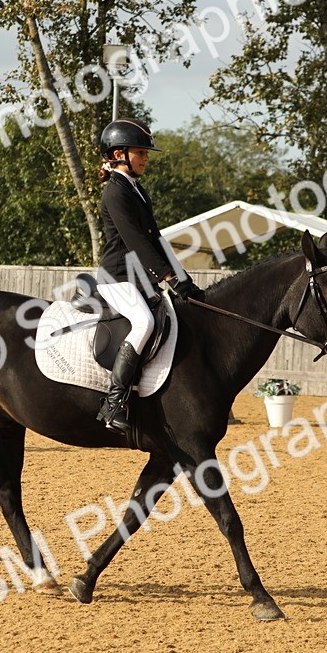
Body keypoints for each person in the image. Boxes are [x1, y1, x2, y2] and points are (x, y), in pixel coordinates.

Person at [95, 118, 203, 433]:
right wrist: (168, 276)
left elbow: (156, 238)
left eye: (146, 152)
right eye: (140, 152)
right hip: (117, 277)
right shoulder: (116, 193)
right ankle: (113, 403)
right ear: (118, 154)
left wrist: (185, 281)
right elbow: (137, 242)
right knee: (145, 323)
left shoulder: (137, 190)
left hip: (139, 278)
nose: (146, 158)